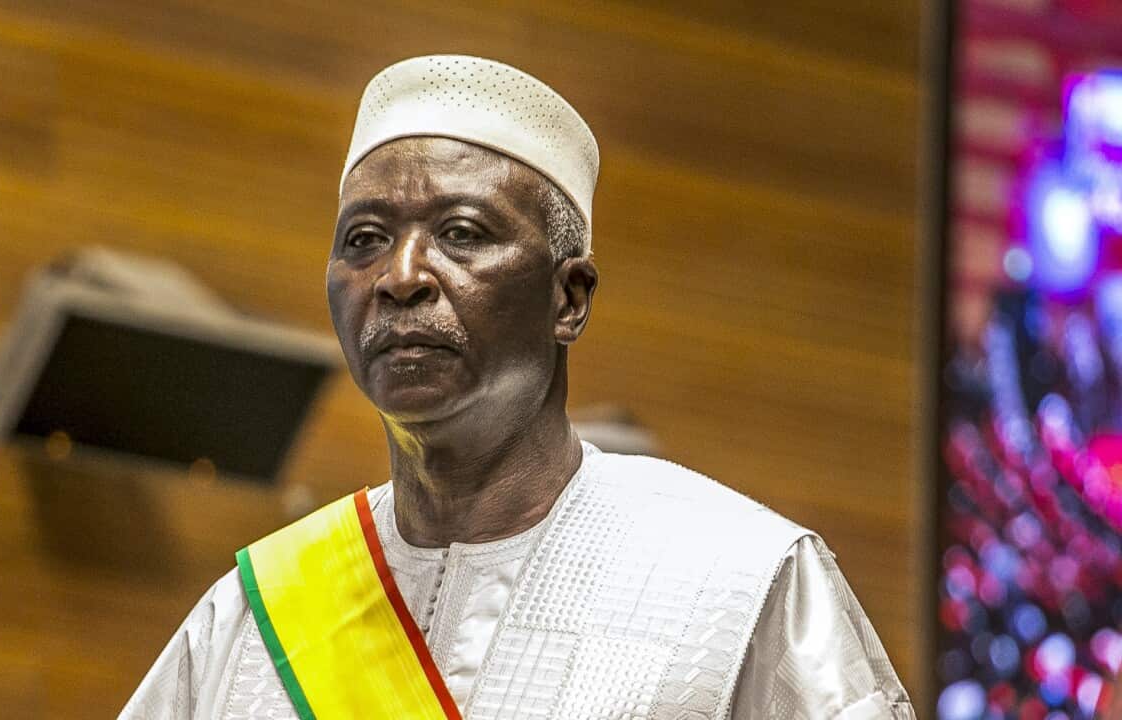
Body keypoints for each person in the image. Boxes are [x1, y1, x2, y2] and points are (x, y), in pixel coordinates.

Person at [119, 54, 914, 720]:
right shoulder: (253, 619)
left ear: (569, 297)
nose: (400, 278)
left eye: (462, 234)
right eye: (364, 241)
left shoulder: (737, 577)